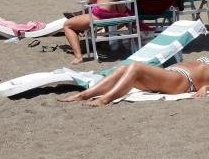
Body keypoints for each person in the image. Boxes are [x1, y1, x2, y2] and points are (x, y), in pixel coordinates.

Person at [60, 58, 209, 106]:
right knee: (125, 68)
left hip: (181, 80)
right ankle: (84, 95)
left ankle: (105, 99)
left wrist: (205, 87)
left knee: (136, 67)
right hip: (172, 74)